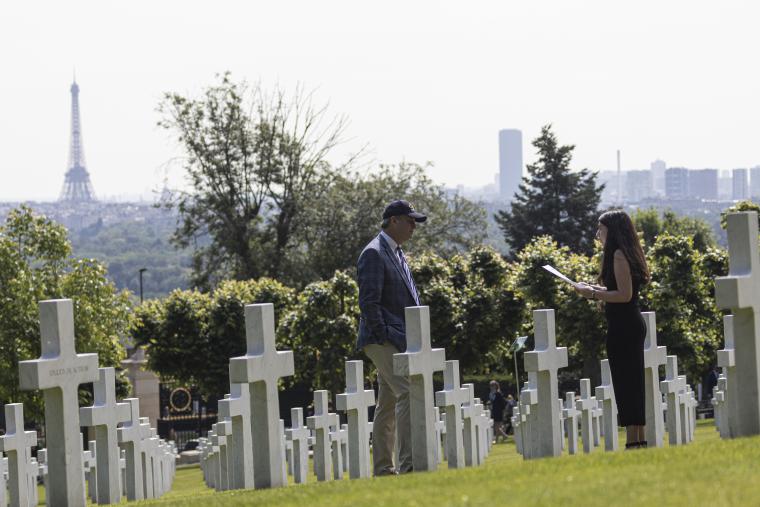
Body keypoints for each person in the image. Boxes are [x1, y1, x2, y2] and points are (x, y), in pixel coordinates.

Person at [357, 199, 427, 475]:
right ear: (394, 221)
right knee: (408, 393)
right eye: (410, 221)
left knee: (386, 405)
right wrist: (385, 334)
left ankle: (384, 469)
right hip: (382, 339)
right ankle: (409, 465)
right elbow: (369, 302)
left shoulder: (397, 252)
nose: (413, 227)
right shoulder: (374, 253)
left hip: (399, 338)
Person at [573, 210, 650, 449]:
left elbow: (624, 295)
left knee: (626, 383)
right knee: (632, 382)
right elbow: (618, 288)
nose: (598, 235)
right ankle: (638, 440)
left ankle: (633, 441)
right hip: (628, 324)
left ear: (613, 231)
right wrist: (593, 287)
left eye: (601, 230)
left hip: (624, 326)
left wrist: (593, 294)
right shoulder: (624, 253)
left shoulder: (618, 255)